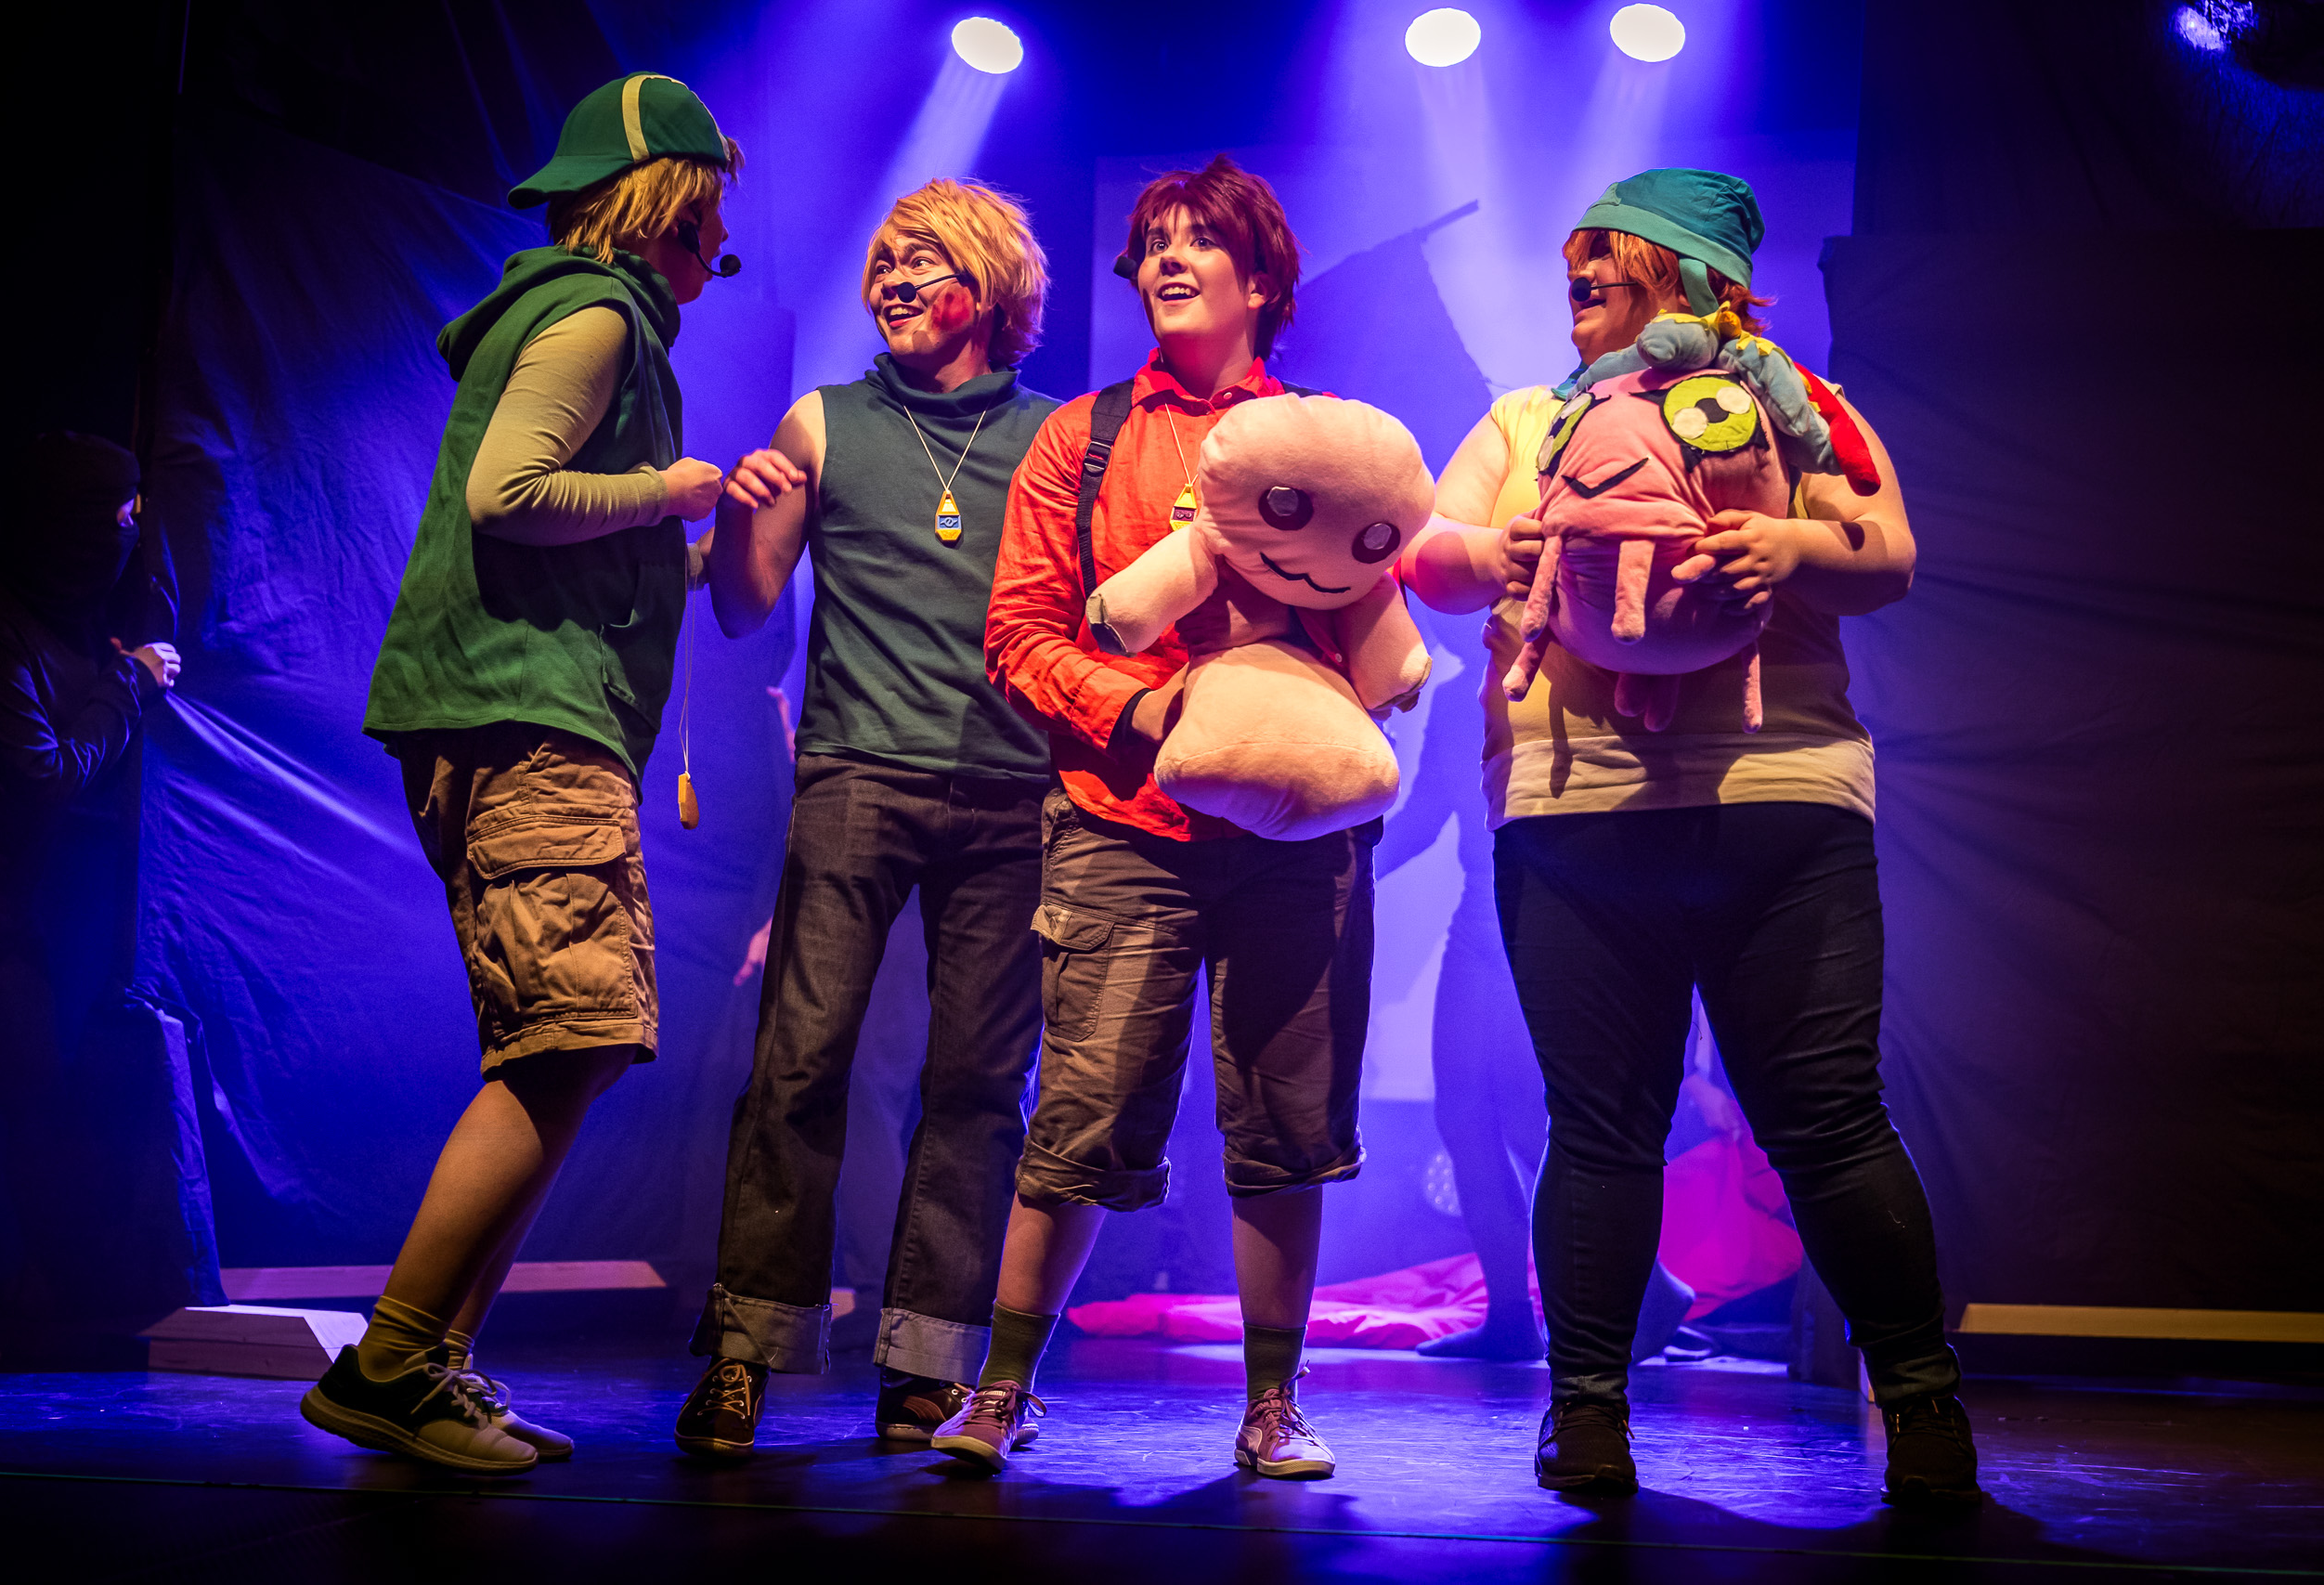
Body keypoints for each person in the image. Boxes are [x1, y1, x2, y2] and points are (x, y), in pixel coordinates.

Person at [1402, 169, 1981, 1507]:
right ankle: (1587, 1411)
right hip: (1575, 810)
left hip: (1779, 802)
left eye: (1607, 256)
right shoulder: (1529, 417)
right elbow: (1426, 552)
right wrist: (1495, 555)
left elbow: (1890, 554)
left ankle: (1921, 1402)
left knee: (1825, 1119)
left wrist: (1792, 546)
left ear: (1687, 274)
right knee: (1600, 1128)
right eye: (1573, 262)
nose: (1580, 278)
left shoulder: (1797, 405)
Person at [303, 73, 747, 1475]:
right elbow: (512, 494)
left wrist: (686, 548)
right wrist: (671, 488)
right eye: (708, 221)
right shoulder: (596, 312)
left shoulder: (592, 316)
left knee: (572, 1042)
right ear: (663, 204)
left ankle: (430, 1361)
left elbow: (565, 543)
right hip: (525, 725)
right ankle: (393, 1362)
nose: (715, 253)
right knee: (569, 1037)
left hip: (527, 716)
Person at [941, 156, 1370, 1481]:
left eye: (1199, 241)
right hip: (1119, 822)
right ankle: (1001, 1386)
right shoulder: (1081, 439)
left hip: (1293, 839)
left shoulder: (1331, 438)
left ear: (1264, 280)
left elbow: (1376, 612)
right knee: (1080, 1114)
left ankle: (1274, 1404)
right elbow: (1018, 631)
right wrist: (1143, 711)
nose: (1167, 260)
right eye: (1153, 243)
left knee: (1285, 1128)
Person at [673, 179, 1059, 1459]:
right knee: (799, 1063)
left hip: (1012, 789)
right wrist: (742, 516)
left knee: (975, 1084)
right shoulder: (825, 420)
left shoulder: (1058, 440)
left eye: (922, 257)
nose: (892, 277)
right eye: (883, 257)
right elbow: (745, 612)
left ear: (987, 285)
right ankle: (746, 1351)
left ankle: (927, 1369)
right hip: (854, 778)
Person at [0, 433, 180, 1357]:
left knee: (35, 1102)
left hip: (5, 911)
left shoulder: (74, 615)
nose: (131, 530)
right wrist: (127, 685)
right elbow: (43, 772)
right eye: (120, 514)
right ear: (74, 525)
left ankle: (43, 1306)